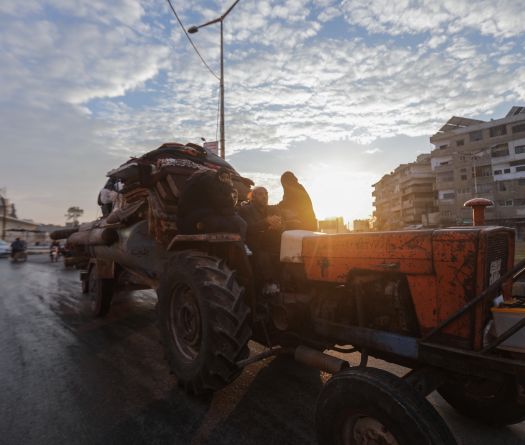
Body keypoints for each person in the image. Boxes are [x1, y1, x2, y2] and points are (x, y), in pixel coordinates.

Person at [177, 167, 247, 240]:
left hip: (213, 214)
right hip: (199, 217)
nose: (225, 179)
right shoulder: (210, 183)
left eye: (227, 177)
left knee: (241, 224)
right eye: (223, 176)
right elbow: (219, 203)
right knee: (239, 224)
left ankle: (238, 247)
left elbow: (227, 204)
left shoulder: (224, 186)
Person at [239, 186, 283, 296]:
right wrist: (266, 222)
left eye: (266, 194)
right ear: (253, 197)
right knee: (263, 255)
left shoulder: (271, 209)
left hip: (272, 244)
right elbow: (248, 228)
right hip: (254, 245)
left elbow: (282, 224)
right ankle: (269, 284)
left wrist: (279, 226)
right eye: (261, 194)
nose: (265, 197)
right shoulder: (245, 210)